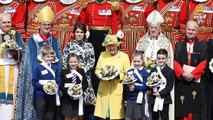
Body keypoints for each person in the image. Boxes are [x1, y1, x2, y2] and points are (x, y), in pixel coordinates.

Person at [19, 6, 61, 119]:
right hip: (37, 82)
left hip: (51, 82)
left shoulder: (54, 40)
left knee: (50, 113)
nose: (47, 27)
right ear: (40, 25)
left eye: (49, 25)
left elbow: (58, 61)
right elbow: (28, 61)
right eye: (44, 24)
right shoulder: (32, 41)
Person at [174, 20, 207, 120]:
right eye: (188, 29)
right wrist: (182, 74)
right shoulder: (178, 45)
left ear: (197, 31)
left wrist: (193, 74)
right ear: (185, 30)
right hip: (182, 81)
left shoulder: (203, 46)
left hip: (196, 81)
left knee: (195, 109)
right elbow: (175, 61)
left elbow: (205, 62)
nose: (190, 32)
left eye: (193, 30)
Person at [62, 22, 95, 120]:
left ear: (85, 33)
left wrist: (80, 71)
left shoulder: (89, 46)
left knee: (81, 108)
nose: (79, 34)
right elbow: (64, 62)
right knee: (71, 106)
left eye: (81, 32)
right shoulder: (69, 46)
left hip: (83, 78)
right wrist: (71, 72)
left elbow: (92, 61)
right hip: (70, 79)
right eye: (77, 32)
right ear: (74, 33)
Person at [94, 35, 130, 119]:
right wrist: (101, 75)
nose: (111, 48)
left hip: (116, 89)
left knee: (115, 116)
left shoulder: (124, 56)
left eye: (113, 45)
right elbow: (97, 69)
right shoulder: (102, 55)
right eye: (109, 46)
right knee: (103, 116)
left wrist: (119, 76)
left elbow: (129, 74)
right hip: (104, 88)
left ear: (117, 45)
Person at [0, 13, 25, 120]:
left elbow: (23, 50)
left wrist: (17, 50)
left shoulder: (16, 35)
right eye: (4, 22)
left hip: (13, 69)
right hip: (0, 68)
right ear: (0, 23)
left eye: (8, 22)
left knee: (12, 97)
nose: (6, 24)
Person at [32, 46, 60, 120]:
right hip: (41, 96)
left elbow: (58, 80)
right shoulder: (38, 68)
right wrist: (44, 87)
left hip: (52, 96)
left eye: (51, 57)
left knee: (50, 116)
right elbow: (34, 82)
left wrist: (56, 87)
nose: (50, 58)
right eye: (48, 57)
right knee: (41, 116)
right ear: (43, 57)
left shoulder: (56, 68)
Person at [60, 53, 88, 120]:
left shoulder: (81, 71)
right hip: (67, 98)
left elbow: (85, 84)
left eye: (75, 62)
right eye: (71, 62)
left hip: (77, 98)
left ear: (78, 62)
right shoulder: (64, 72)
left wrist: (80, 91)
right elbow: (60, 85)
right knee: (67, 116)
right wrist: (67, 92)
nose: (73, 64)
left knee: (75, 117)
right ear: (67, 62)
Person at [148, 49, 174, 120]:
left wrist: (160, 93)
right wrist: (150, 86)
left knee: (164, 117)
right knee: (154, 117)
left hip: (164, 98)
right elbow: (149, 81)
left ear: (167, 59)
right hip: (154, 97)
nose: (161, 60)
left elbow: (169, 86)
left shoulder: (170, 71)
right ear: (156, 58)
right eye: (159, 58)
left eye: (163, 58)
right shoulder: (153, 70)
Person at [123, 51, 149, 120]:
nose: (136, 63)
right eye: (135, 61)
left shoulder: (145, 73)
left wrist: (134, 87)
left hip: (139, 98)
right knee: (131, 117)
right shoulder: (129, 71)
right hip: (130, 97)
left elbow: (146, 87)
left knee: (139, 117)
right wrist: (127, 85)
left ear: (142, 61)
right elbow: (125, 85)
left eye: (138, 61)